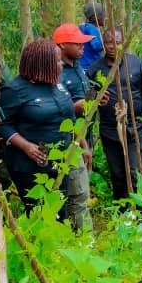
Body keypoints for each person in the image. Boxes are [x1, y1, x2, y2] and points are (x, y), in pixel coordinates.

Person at [0, 39, 92, 225]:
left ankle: (60, 249)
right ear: (42, 64)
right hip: (29, 166)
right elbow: (2, 125)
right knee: (38, 215)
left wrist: (83, 145)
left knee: (60, 211)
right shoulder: (14, 90)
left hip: (60, 162)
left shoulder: (57, 85)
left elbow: (68, 119)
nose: (61, 65)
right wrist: (26, 147)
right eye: (57, 62)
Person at [88, 28, 142, 201]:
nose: (112, 46)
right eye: (108, 42)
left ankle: (140, 214)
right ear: (103, 44)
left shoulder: (138, 65)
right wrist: (95, 99)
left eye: (117, 42)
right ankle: (122, 214)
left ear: (124, 42)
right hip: (109, 129)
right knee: (117, 175)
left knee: (135, 172)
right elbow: (88, 99)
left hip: (135, 127)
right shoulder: (95, 69)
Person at [52, 24, 93, 228]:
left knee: (81, 190)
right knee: (75, 193)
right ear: (62, 45)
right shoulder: (55, 72)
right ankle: (80, 237)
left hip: (83, 136)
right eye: (77, 43)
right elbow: (60, 110)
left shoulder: (79, 67)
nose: (82, 47)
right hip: (68, 141)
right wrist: (76, 107)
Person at [78, 2, 106, 72]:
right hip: (89, 66)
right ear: (97, 17)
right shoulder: (91, 28)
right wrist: (107, 43)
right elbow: (96, 46)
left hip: (83, 65)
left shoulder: (84, 27)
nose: (105, 18)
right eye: (103, 16)